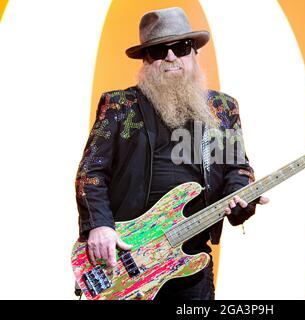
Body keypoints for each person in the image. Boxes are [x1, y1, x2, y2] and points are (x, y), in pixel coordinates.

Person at [75, 7, 269, 300]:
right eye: (158, 50)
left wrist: (242, 196)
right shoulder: (120, 106)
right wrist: (99, 226)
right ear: (146, 60)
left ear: (194, 53)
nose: (171, 57)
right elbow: (91, 172)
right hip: (129, 259)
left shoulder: (222, 109)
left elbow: (237, 169)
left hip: (189, 261)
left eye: (181, 47)